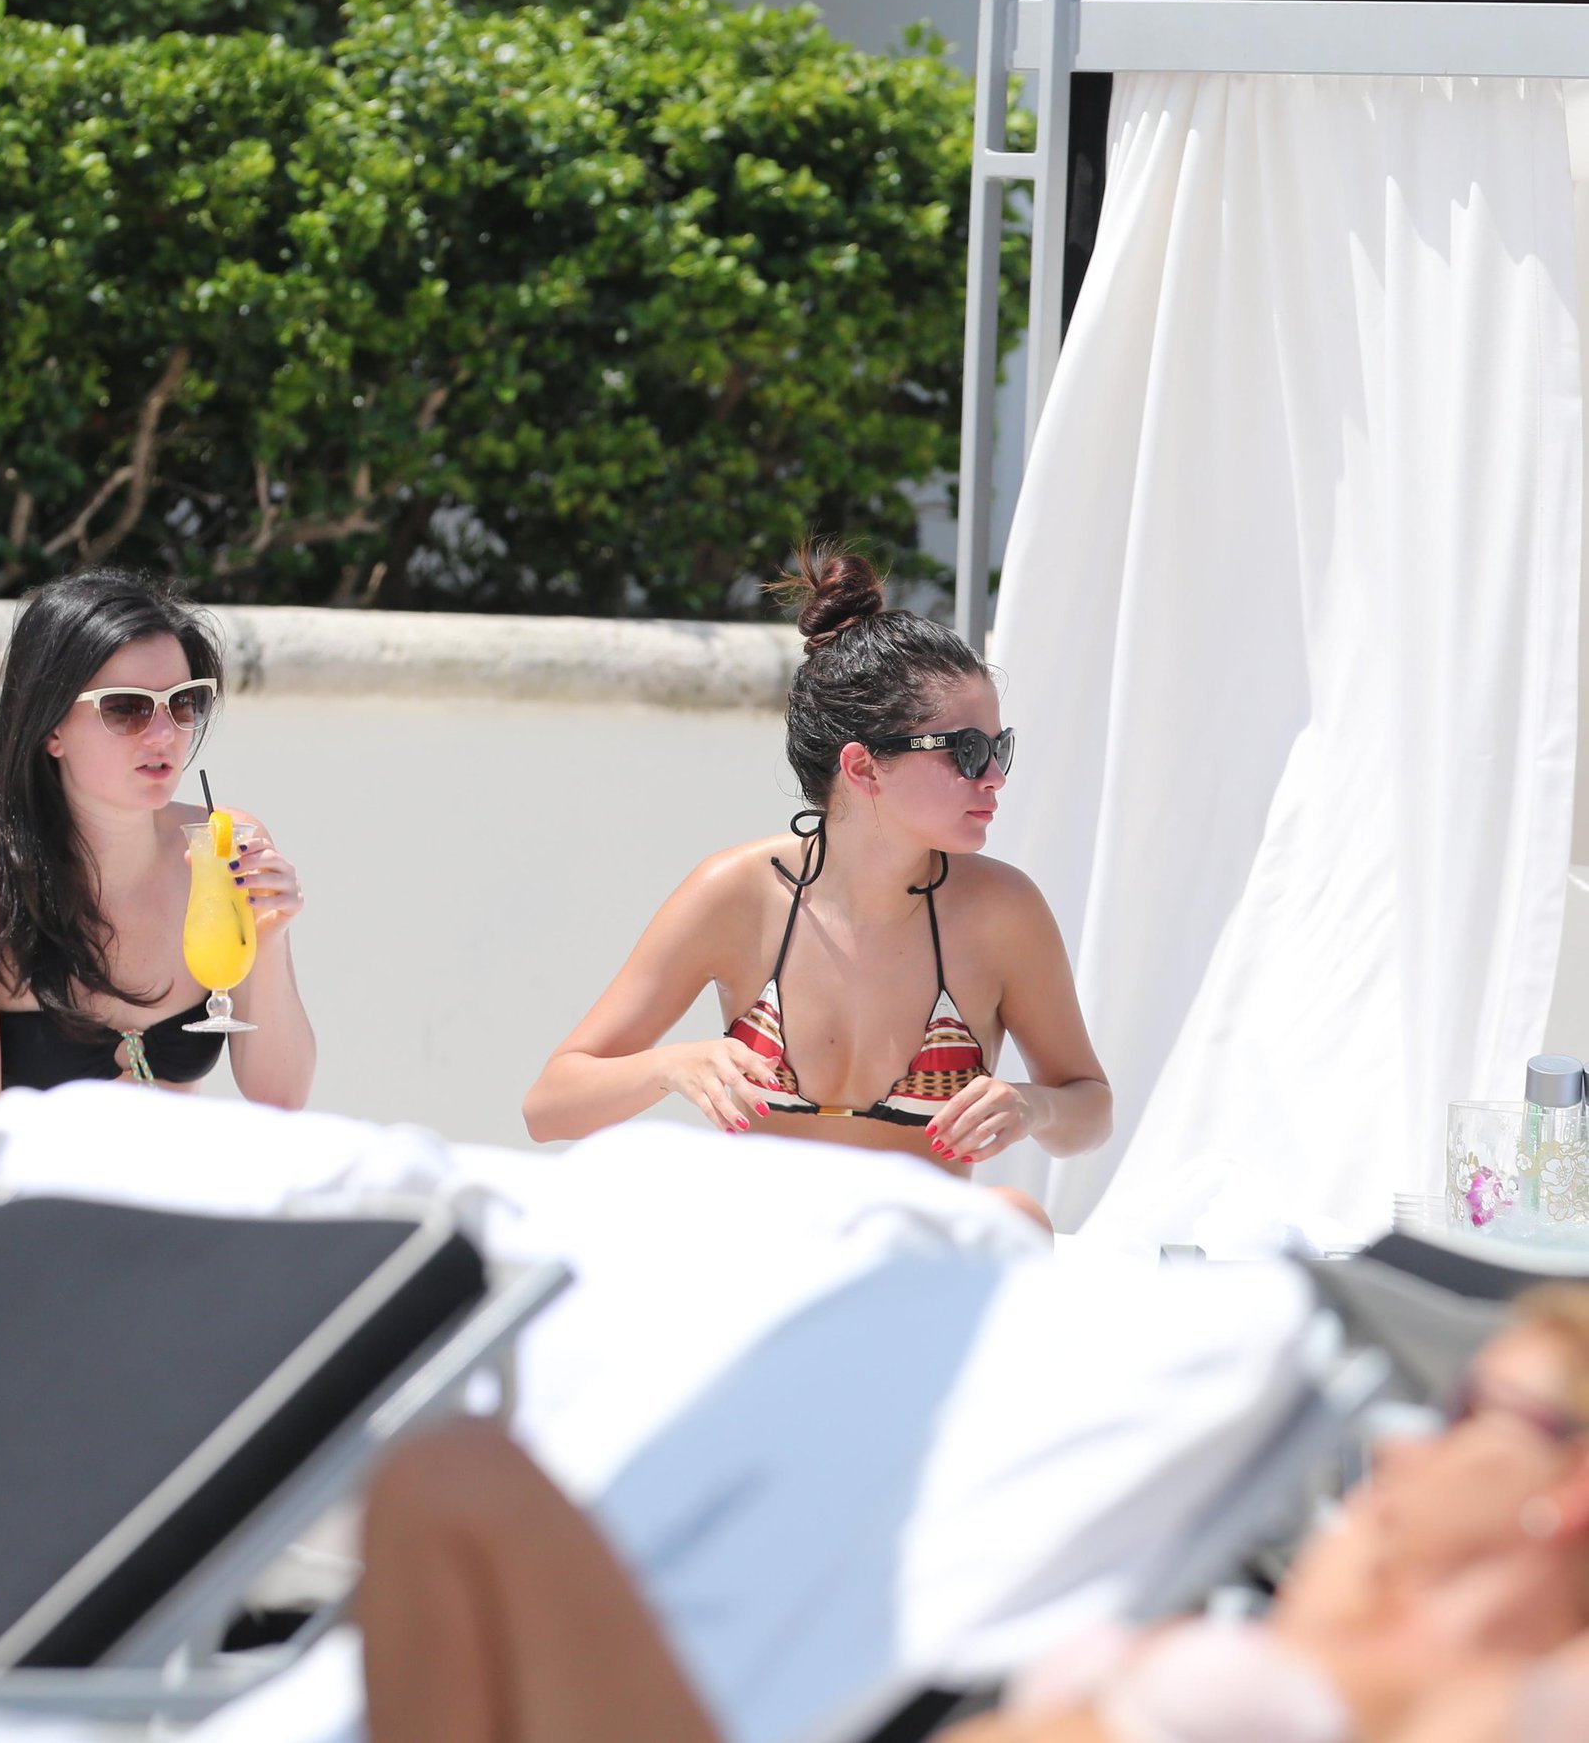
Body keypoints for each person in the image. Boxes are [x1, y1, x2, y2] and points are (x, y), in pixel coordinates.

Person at [358, 1288, 1589, 1743]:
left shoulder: (1524, 1696)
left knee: (462, 1487)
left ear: (1572, 1486)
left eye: (1478, 1405)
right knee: (450, 1487)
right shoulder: (1358, 1578)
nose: (1406, 1434)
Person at [524, 543, 1109, 1201]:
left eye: (1000, 747)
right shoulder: (738, 894)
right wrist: (671, 1066)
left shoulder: (1003, 911)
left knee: (1015, 1214)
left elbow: (1088, 1107)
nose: (997, 776)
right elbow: (549, 1107)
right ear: (862, 769)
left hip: (919, 1265)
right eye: (968, 752)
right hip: (772, 1257)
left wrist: (1036, 1107)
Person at [0, 567, 314, 1170]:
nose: (163, 734)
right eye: (126, 709)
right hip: (34, 1226)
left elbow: (279, 1100)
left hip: (173, 1221)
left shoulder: (227, 845)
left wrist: (271, 935)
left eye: (184, 704)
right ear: (51, 728)